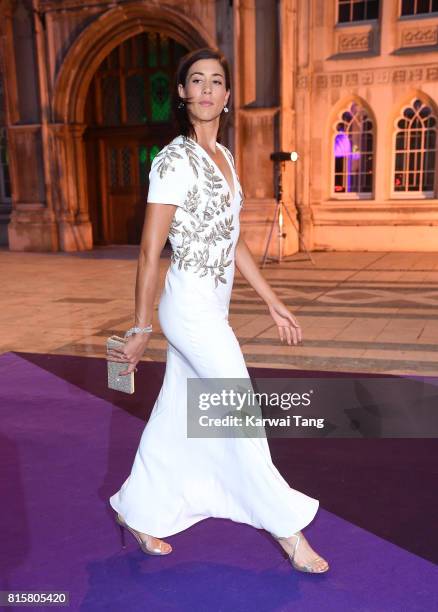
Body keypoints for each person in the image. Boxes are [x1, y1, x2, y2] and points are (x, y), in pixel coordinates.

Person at [107, 47, 329, 574]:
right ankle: (288, 530)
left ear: (227, 97)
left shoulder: (226, 158)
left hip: (215, 306)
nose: (207, 90)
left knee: (173, 416)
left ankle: (137, 511)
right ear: (182, 94)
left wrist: (273, 301)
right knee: (242, 413)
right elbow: (148, 249)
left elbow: (234, 242)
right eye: (196, 81)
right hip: (188, 310)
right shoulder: (173, 161)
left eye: (216, 82)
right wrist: (141, 327)